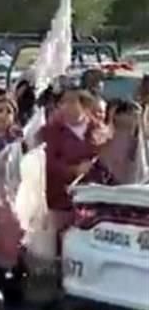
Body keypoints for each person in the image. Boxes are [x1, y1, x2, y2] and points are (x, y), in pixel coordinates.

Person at [42, 88, 108, 242]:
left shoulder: (99, 130)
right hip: (60, 202)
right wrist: (73, 170)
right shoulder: (51, 132)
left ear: (85, 105)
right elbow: (47, 162)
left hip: (94, 204)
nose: (66, 106)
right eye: (63, 102)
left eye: (72, 101)